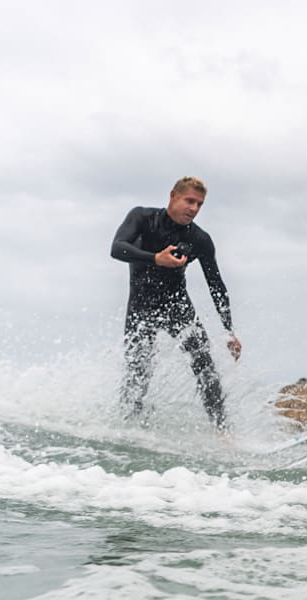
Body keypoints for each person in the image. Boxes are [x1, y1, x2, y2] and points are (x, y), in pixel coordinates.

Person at [110, 176, 241, 430]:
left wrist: (229, 331)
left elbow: (216, 286)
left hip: (176, 306)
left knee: (205, 365)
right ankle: (128, 427)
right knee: (139, 370)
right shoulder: (142, 218)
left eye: (199, 204)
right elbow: (117, 248)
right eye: (189, 200)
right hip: (141, 306)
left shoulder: (199, 239)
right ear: (173, 196)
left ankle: (223, 432)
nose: (193, 208)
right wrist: (155, 258)